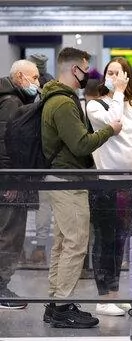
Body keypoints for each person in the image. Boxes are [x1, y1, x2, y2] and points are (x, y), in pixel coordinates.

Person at [41, 47, 122, 328]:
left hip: (62, 178)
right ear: (73, 68)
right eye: (85, 68)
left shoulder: (55, 97)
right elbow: (80, 144)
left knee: (64, 242)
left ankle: (55, 302)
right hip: (67, 180)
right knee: (75, 243)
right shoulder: (62, 103)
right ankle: (62, 305)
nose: (88, 73)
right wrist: (110, 130)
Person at [87, 57, 132, 317]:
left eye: (119, 72)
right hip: (106, 182)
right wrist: (116, 92)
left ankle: (114, 292)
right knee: (105, 238)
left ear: (128, 75)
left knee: (121, 238)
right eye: (110, 72)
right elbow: (114, 124)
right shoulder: (96, 105)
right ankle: (104, 297)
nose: (114, 76)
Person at [0, 59, 40, 309]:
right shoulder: (11, 103)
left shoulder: (13, 100)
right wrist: (11, 179)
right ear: (20, 78)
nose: (37, 82)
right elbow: (6, 144)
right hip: (11, 181)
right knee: (10, 234)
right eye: (34, 77)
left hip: (11, 178)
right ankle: (1, 287)